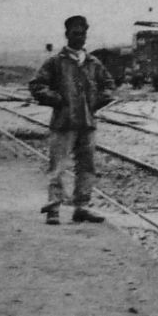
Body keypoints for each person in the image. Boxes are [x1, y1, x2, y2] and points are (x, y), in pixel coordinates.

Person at [28, 16, 115, 225]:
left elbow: (109, 85)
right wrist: (57, 100)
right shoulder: (56, 62)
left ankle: (82, 207)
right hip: (63, 123)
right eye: (76, 33)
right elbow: (37, 85)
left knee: (87, 166)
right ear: (67, 35)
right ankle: (53, 208)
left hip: (87, 123)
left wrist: (96, 102)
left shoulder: (93, 63)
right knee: (58, 166)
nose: (80, 37)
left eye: (83, 33)